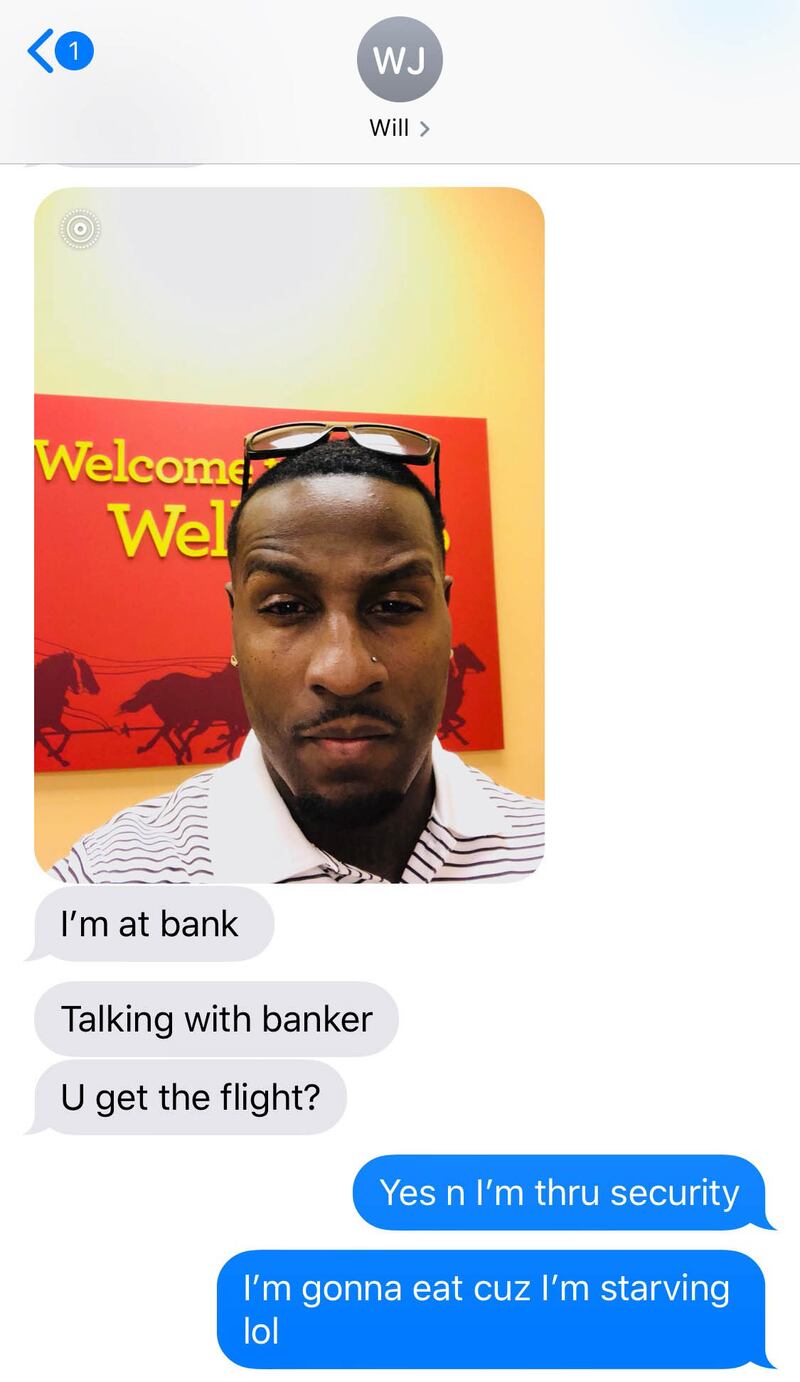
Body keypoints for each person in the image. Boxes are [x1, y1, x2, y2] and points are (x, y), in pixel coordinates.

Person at [50, 424, 544, 884]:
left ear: (447, 614)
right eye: (286, 607)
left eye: (394, 605)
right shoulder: (106, 883)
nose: (345, 673)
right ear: (235, 623)